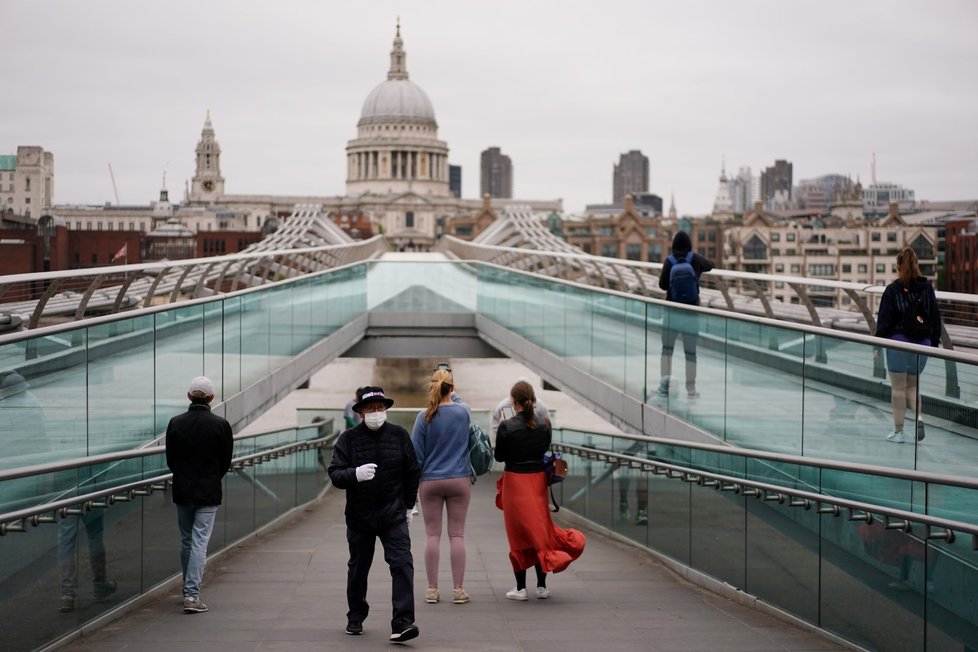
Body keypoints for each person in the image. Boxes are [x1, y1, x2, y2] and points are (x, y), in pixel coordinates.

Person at [328, 386, 422, 643]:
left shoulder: (399, 435)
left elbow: (412, 471)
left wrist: (409, 506)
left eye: (380, 408)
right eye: (371, 408)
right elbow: (335, 474)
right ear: (361, 412)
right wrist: (354, 474)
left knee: (402, 564)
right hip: (360, 517)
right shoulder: (348, 439)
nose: (376, 412)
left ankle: (403, 622)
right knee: (358, 568)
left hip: (393, 514)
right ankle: (356, 615)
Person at [493, 380, 585, 601]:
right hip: (537, 482)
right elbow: (544, 448)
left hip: (514, 483)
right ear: (532, 400)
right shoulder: (545, 424)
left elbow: (499, 457)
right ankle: (542, 586)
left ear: (513, 401)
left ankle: (520, 588)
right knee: (540, 529)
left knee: (518, 534)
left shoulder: (507, 426)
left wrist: (505, 431)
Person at [165, 376, 233, 614]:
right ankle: (192, 596)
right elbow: (226, 461)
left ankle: (187, 589)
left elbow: (170, 460)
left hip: (183, 489)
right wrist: (212, 477)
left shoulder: (176, 422)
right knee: (199, 541)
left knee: (186, 540)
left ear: (188, 396)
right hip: (208, 490)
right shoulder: (220, 425)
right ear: (212, 398)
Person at [411, 367, 472, 605]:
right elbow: (460, 408)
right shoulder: (463, 412)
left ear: (432, 387)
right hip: (459, 478)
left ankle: (432, 589)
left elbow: (416, 455)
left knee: (432, 535)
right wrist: (453, 395)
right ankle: (458, 590)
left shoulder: (423, 416)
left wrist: (413, 485)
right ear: (452, 387)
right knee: (457, 535)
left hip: (430, 481)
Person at [874, 247, 942, 444]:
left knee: (898, 388)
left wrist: (877, 347)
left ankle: (899, 431)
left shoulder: (893, 290)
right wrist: (933, 343)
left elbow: (884, 323)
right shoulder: (927, 288)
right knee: (913, 386)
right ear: (916, 265)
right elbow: (935, 318)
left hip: (898, 343)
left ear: (898, 267)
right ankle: (919, 417)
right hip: (923, 344)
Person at [657, 231, 715, 398]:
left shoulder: (669, 261)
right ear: (690, 245)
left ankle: (665, 386)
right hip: (691, 314)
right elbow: (710, 265)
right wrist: (695, 259)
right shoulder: (695, 259)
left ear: (673, 246)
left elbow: (662, 286)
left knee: (667, 351)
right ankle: (691, 389)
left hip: (671, 314)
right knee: (690, 353)